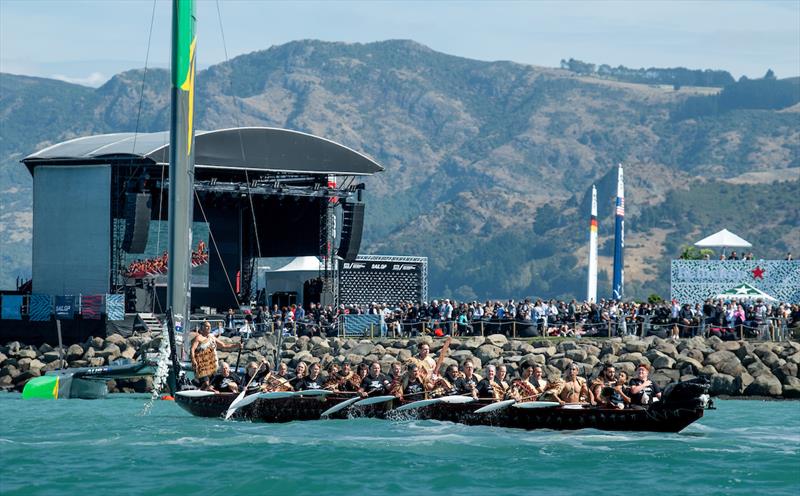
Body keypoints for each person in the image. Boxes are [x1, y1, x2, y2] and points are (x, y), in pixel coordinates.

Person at [190, 321, 241, 390]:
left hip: (213, 365)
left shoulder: (212, 337)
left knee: (213, 383)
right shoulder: (198, 338)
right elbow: (192, 349)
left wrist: (236, 345)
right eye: (207, 326)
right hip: (202, 365)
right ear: (202, 327)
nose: (209, 328)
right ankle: (198, 393)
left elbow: (224, 346)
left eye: (210, 326)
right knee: (206, 383)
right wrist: (193, 360)